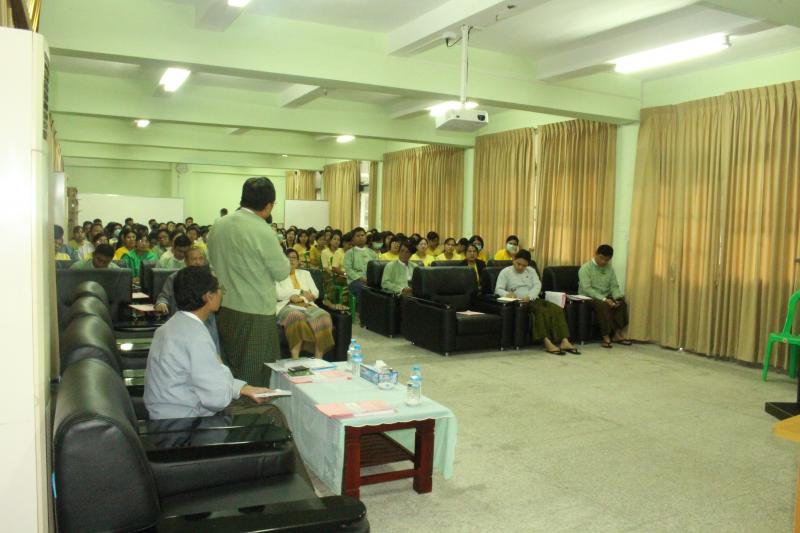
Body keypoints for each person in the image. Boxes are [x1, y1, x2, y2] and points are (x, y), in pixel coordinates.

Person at [143, 267, 274, 419]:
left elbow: (204, 380)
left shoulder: (171, 325)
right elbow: (217, 400)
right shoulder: (196, 336)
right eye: (219, 289)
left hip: (166, 413)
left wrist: (241, 388)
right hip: (186, 423)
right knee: (271, 412)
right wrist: (221, 367)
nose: (221, 293)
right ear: (209, 297)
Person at [207, 177, 290, 386]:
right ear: (269, 205)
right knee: (256, 374)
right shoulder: (263, 230)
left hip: (224, 308)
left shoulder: (218, 225)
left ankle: (231, 405)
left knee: (229, 367)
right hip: (256, 313)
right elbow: (282, 272)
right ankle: (250, 408)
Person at [496, 250, 580, 355]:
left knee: (557, 309)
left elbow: (537, 285)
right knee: (541, 311)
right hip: (519, 302)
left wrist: (530, 296)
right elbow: (498, 289)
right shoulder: (505, 272)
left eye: (524, 265)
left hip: (534, 299)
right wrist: (507, 294)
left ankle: (564, 341)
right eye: (518, 264)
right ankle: (547, 342)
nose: (521, 267)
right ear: (513, 260)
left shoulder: (531, 271)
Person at [275, 249, 335, 358]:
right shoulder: (277, 275)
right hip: (286, 305)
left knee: (324, 316)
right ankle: (295, 359)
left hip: (306, 304)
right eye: (288, 258)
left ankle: (318, 359)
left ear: (298, 261)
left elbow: (315, 292)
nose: (291, 260)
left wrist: (300, 297)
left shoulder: (305, 273)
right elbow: (278, 293)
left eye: (294, 258)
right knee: (295, 316)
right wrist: (299, 292)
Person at [579, 244, 630, 348]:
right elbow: (587, 289)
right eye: (601, 258)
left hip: (605, 296)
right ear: (596, 254)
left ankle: (617, 334)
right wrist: (605, 299)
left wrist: (617, 297)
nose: (603, 262)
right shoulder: (585, 268)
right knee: (603, 305)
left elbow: (614, 286)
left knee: (622, 303)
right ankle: (605, 336)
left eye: (606, 260)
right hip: (589, 297)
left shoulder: (610, 269)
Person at [343, 227, 377, 303]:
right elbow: (348, 270)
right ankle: (360, 310)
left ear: (366, 237)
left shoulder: (372, 253)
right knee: (363, 289)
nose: (360, 237)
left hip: (370, 281)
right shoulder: (349, 253)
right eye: (357, 236)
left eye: (362, 235)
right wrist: (360, 278)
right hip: (354, 282)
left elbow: (376, 269)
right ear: (353, 239)